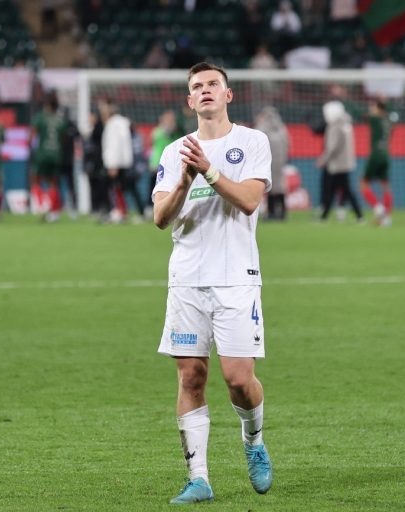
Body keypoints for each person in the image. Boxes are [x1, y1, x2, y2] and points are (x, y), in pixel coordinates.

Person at [152, 62, 273, 504]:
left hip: (237, 278)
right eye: (197, 86)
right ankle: (198, 477)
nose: (205, 90)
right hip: (187, 280)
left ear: (227, 95)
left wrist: (209, 171)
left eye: (213, 84)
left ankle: (253, 441)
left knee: (239, 379)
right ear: (190, 100)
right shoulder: (174, 153)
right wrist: (184, 181)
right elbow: (160, 218)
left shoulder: (252, 142)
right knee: (191, 376)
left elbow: (250, 200)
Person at [99, 97, 144, 222]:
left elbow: (115, 145)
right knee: (127, 187)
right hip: (125, 161)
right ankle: (126, 211)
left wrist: (113, 164)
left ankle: (119, 211)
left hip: (117, 163)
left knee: (116, 187)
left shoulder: (113, 124)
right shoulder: (122, 122)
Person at [318, 101, 363, 222]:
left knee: (335, 190)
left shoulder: (335, 126)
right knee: (340, 190)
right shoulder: (346, 123)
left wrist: (323, 159)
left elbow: (332, 147)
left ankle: (358, 215)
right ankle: (325, 216)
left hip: (337, 164)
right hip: (345, 163)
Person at [30, 96, 66, 223]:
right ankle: (54, 211)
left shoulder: (41, 117)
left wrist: (30, 147)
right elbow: (63, 138)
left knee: (35, 179)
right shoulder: (60, 120)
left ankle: (42, 205)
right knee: (53, 182)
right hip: (56, 154)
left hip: (43, 154)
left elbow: (32, 134)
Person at [360, 99, 393, 226]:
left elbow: (361, 116)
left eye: (373, 107)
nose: (371, 109)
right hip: (385, 155)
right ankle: (387, 218)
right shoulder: (388, 121)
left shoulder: (375, 119)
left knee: (363, 184)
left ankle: (378, 208)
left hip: (376, 155)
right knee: (386, 186)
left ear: (379, 109)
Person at [255, 106, 288, 220]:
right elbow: (287, 144)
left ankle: (271, 212)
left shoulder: (263, 128)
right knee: (280, 185)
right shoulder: (282, 129)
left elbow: (256, 140)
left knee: (270, 185)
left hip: (267, 161)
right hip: (280, 161)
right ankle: (282, 212)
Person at [148, 109, 180, 208]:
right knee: (156, 187)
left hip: (168, 163)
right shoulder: (159, 132)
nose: (172, 121)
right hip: (157, 163)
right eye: (169, 119)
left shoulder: (173, 133)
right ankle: (152, 206)